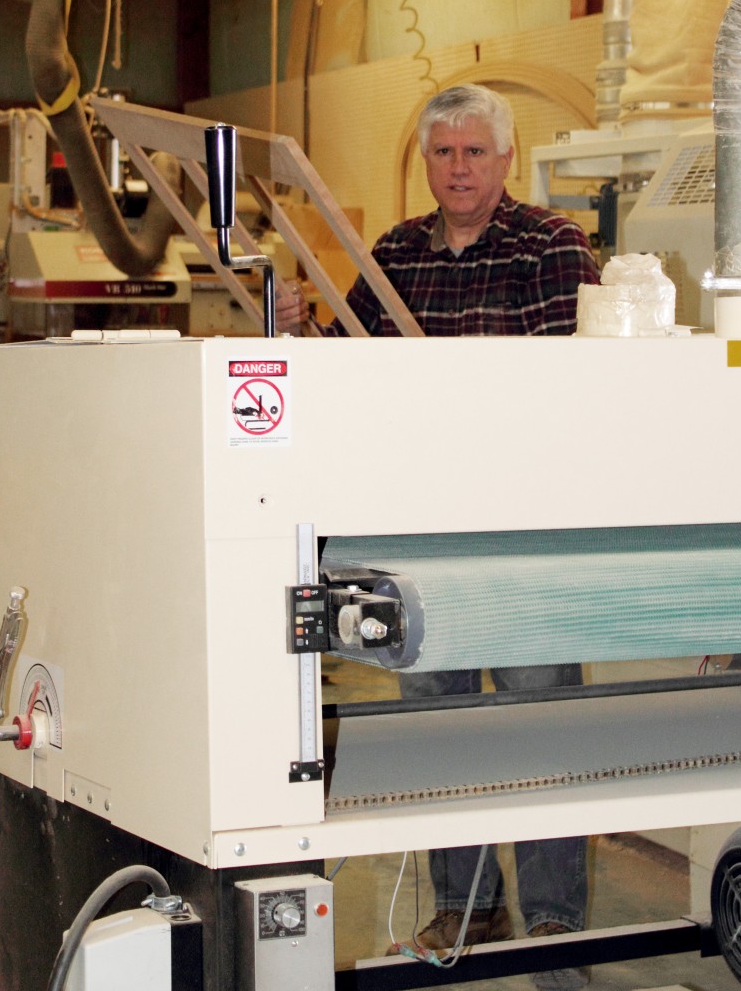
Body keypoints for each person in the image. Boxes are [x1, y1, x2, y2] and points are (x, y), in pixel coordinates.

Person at [278, 84, 600, 991]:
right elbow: (350, 372)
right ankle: (462, 907)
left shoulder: (550, 246)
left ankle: (551, 920)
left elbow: (573, 386)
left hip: (523, 532)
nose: (458, 169)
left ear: (505, 159)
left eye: (474, 153)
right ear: (426, 163)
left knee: (540, 723)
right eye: (443, 154)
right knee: (438, 723)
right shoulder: (391, 255)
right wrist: (306, 329)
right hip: (421, 535)